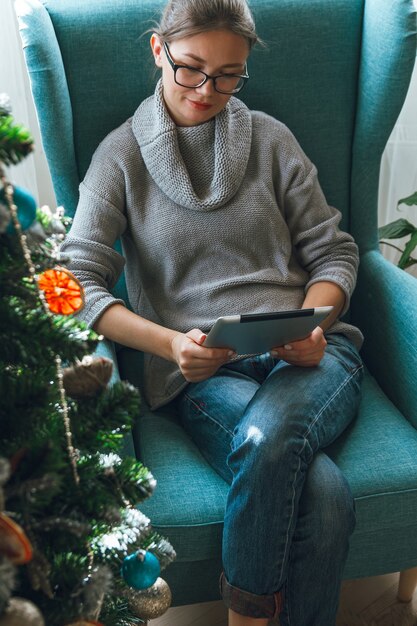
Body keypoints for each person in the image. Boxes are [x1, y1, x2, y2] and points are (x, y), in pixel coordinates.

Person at [61, 1, 364, 624]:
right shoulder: (119, 157)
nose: (207, 90)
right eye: (191, 68)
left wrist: (314, 322)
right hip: (205, 373)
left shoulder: (273, 140)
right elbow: (74, 286)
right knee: (325, 493)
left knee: (275, 440)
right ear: (157, 50)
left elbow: (333, 252)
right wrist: (172, 345)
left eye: (229, 75)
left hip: (313, 356)